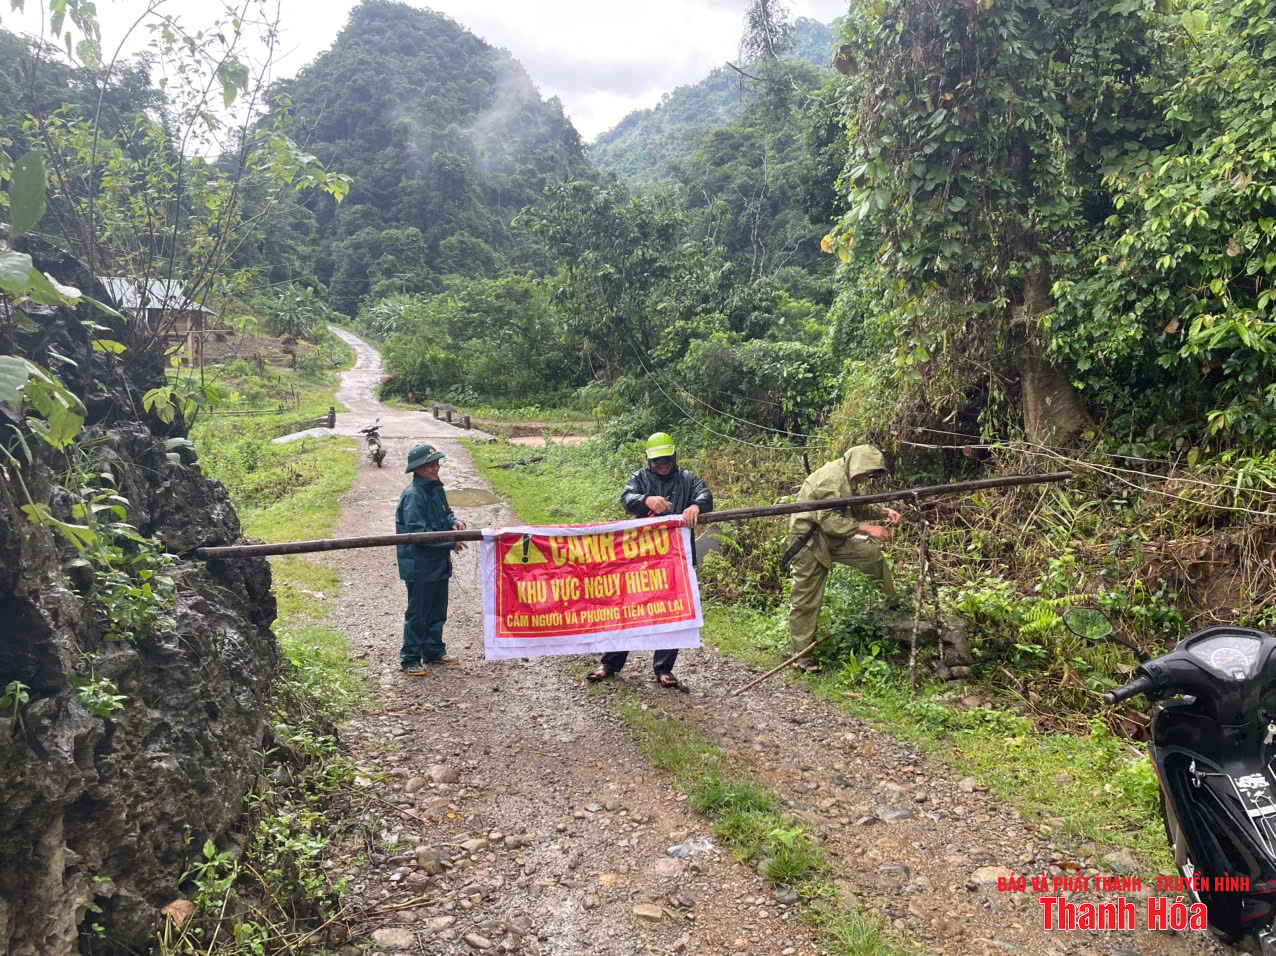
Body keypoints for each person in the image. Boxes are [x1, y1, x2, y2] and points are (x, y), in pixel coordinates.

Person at [587, 431, 713, 688]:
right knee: (628, 608)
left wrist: (696, 506)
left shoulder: (688, 478)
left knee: (673, 611)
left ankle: (664, 669)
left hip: (676, 559)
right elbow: (626, 498)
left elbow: (706, 495)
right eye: (657, 461)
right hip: (641, 557)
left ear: (674, 457)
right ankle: (609, 664)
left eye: (666, 460)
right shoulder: (639, 478)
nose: (662, 465)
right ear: (649, 459)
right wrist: (646, 500)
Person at [786, 444, 902, 673]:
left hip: (833, 538)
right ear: (859, 465)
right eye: (867, 473)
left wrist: (884, 512)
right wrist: (867, 528)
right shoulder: (831, 478)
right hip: (810, 541)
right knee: (806, 599)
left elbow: (856, 506)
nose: (867, 479)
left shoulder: (848, 477)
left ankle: (893, 604)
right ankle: (802, 656)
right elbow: (828, 519)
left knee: (871, 556)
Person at [397, 443, 468, 676]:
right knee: (419, 612)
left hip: (438, 562)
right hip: (418, 565)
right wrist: (450, 543)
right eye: (430, 465)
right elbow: (418, 534)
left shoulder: (437, 488)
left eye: (437, 463)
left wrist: (454, 522)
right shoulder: (413, 496)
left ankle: (434, 651)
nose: (436, 468)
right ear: (417, 469)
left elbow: (446, 513)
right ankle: (410, 658)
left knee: (438, 609)